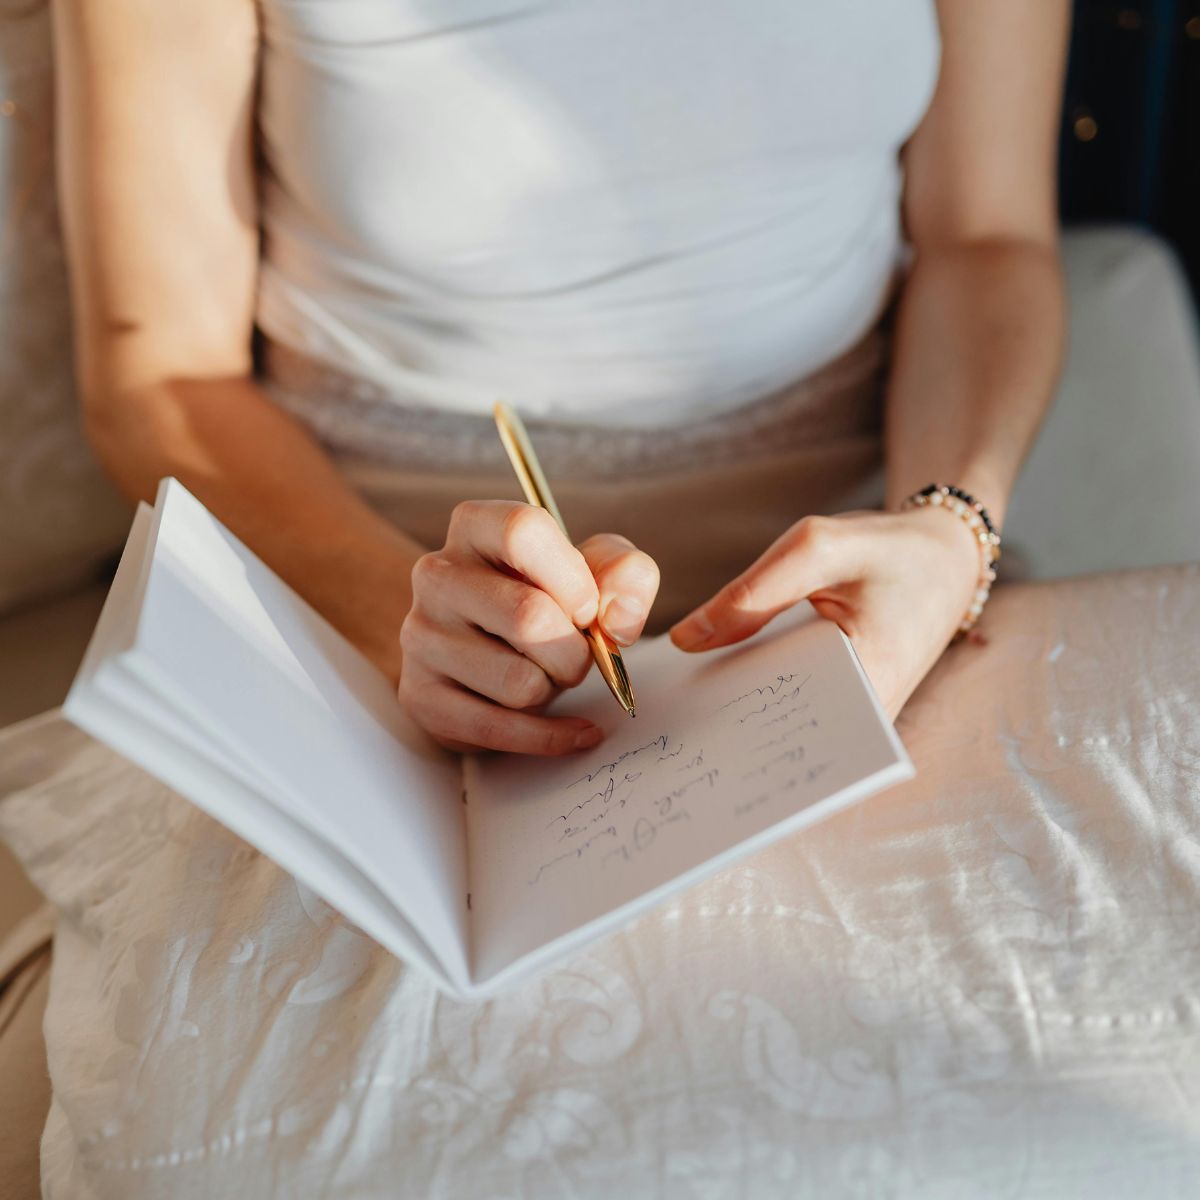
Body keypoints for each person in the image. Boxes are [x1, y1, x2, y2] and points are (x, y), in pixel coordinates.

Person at [54, 0, 1068, 754]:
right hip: (373, 567)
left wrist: (949, 529)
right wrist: (397, 621)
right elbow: (161, 377)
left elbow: (987, 238)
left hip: (855, 551)